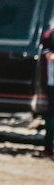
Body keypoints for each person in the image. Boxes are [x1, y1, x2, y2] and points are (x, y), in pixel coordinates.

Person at [42, 27, 54, 159]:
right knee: (52, 118)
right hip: (52, 83)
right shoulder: (50, 35)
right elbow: (49, 56)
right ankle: (49, 149)